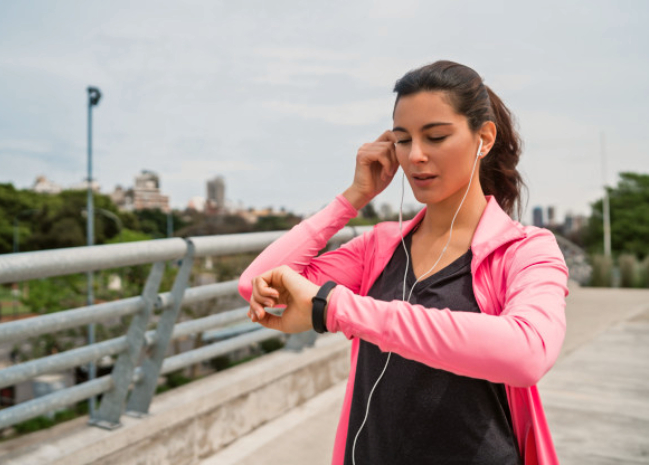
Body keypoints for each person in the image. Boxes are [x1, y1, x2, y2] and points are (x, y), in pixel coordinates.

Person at [238, 60, 568, 465]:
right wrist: (354, 197)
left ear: (483, 138)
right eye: (402, 140)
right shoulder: (380, 246)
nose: (415, 156)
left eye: (435, 137)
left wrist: (338, 308)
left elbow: (527, 353)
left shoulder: (525, 250)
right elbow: (260, 284)